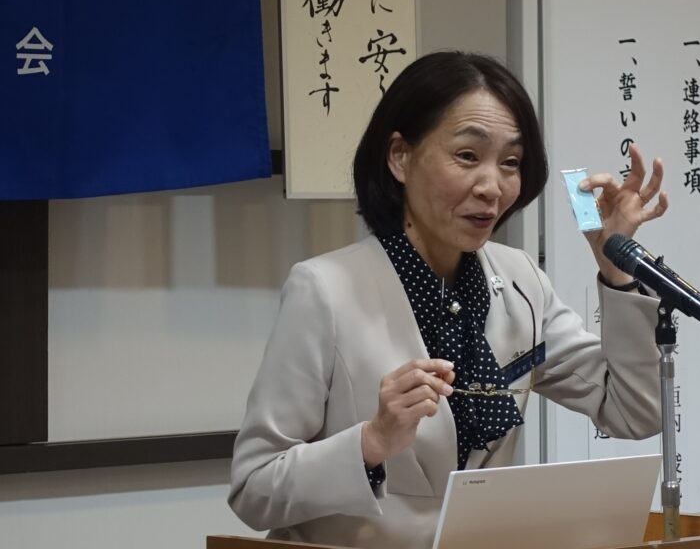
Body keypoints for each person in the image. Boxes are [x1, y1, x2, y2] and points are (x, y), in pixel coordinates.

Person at [228, 51, 670, 549]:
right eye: (467, 156)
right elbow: (254, 489)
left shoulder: (521, 280)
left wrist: (615, 267)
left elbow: (634, 411)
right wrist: (371, 442)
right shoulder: (324, 289)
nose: (492, 187)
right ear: (400, 156)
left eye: (511, 163)